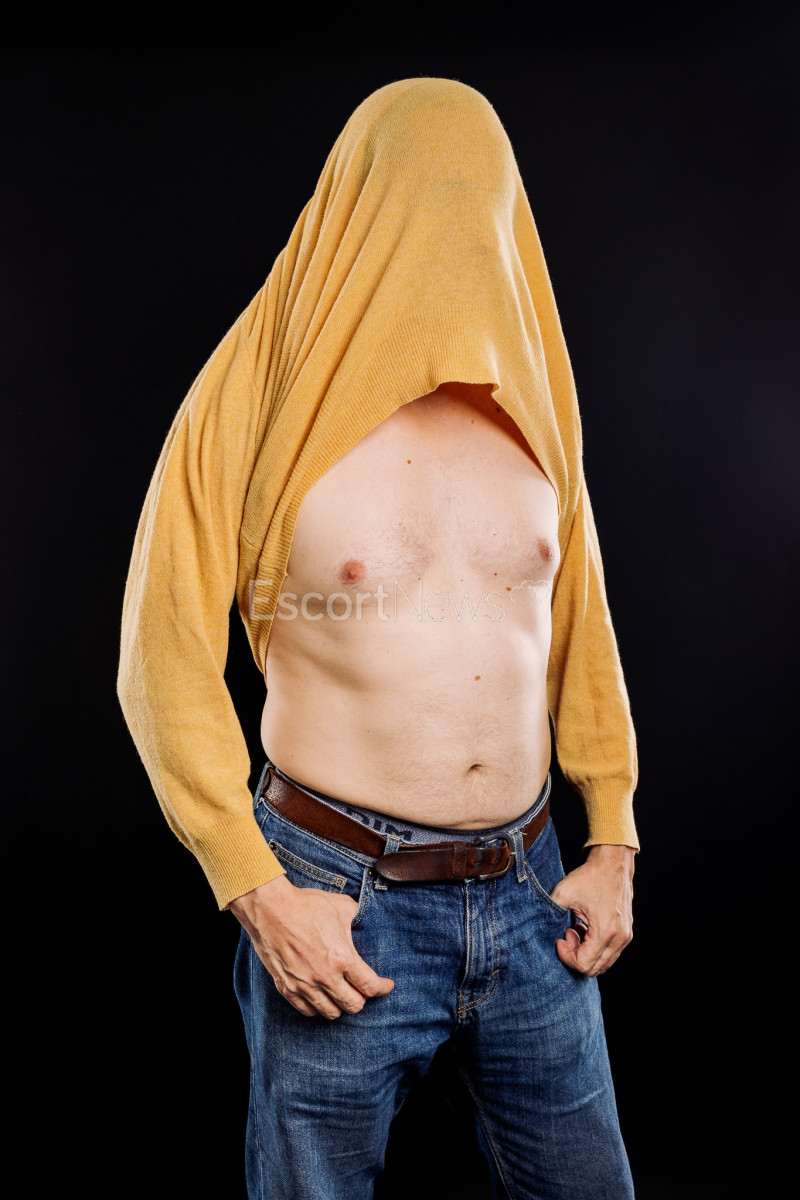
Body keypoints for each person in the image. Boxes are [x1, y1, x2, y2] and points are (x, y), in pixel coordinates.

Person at [117, 77, 639, 1200]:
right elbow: (158, 658)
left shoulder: (533, 407)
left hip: (532, 891)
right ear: (351, 209)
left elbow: (579, 627)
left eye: (476, 204)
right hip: (338, 896)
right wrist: (255, 890)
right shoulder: (258, 395)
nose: (449, 236)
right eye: (419, 201)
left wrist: (612, 841)